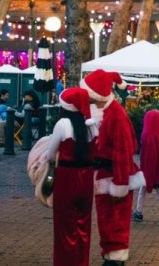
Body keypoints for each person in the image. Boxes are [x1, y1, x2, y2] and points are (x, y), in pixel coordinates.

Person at [81, 70, 145, 266]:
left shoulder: (116, 115)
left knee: (116, 220)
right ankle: (110, 254)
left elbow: (123, 151)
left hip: (115, 177)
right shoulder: (105, 113)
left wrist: (120, 182)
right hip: (105, 176)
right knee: (106, 219)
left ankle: (116, 257)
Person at [45, 88, 95, 266]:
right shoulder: (90, 126)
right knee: (83, 225)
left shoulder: (62, 124)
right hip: (87, 178)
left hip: (66, 178)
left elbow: (50, 155)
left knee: (64, 227)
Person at [133, 110, 159, 225]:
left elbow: (145, 156)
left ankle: (139, 212)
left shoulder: (146, 136)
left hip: (148, 170)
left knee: (142, 190)